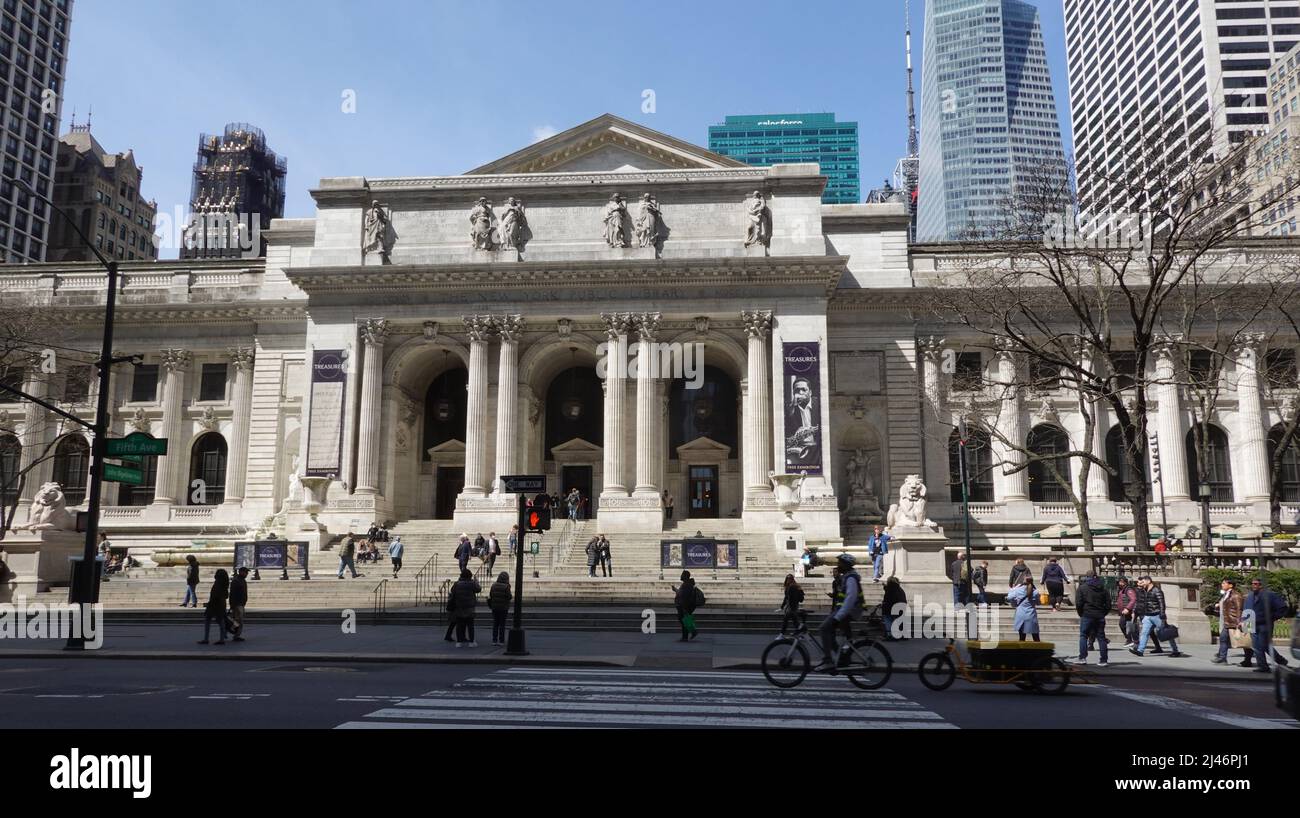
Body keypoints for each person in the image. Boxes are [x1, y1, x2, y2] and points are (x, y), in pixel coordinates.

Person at [815, 554, 863, 670]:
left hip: (848, 611)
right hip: (843, 610)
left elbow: (850, 599)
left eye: (840, 562)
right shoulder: (846, 576)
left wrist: (839, 616)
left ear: (846, 564)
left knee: (824, 628)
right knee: (829, 631)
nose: (838, 565)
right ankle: (840, 657)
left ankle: (828, 660)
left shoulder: (851, 578)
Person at [1243, 577, 1292, 673]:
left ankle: (1271, 663)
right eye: (1252, 584)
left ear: (1262, 585)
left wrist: (1272, 617)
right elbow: (1247, 611)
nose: (1254, 586)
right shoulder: (1249, 597)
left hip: (1265, 625)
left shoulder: (1270, 595)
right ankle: (1267, 665)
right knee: (1258, 646)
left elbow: (1283, 608)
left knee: (1263, 645)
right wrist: (1245, 626)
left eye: (1256, 584)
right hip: (1253, 625)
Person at [1129, 576, 1185, 658]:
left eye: (1143, 582)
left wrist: (1162, 615)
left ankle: (1175, 650)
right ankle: (1140, 651)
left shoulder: (1157, 590)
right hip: (1148, 616)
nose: (1142, 584)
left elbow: (1162, 603)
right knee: (1144, 633)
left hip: (1157, 615)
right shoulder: (1144, 590)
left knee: (1167, 633)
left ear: (1149, 581)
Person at [1212, 578, 1252, 666]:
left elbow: (1239, 609)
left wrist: (1239, 622)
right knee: (1223, 638)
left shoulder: (1236, 595)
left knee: (1245, 641)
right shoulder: (1227, 594)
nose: (1222, 585)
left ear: (1230, 585)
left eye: (1224, 583)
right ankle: (1222, 658)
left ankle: (1248, 660)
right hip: (1229, 621)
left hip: (1235, 621)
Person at [1074, 569, 1110, 666]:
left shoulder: (1082, 588)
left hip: (1087, 614)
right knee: (1101, 637)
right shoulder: (1103, 588)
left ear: (1087, 577)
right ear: (1096, 576)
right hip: (1099, 615)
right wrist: (1103, 613)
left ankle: (1082, 658)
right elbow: (1108, 604)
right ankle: (1104, 660)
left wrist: (1081, 613)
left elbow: (1078, 603)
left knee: (1083, 636)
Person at [448, 568, 481, 648]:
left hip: (459, 606)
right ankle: (471, 641)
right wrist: (476, 582)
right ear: (470, 575)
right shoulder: (472, 583)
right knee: (470, 625)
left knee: (459, 625)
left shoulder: (457, 584)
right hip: (469, 607)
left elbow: (452, 591)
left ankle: (459, 642)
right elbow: (478, 589)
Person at [198, 569, 230, 645]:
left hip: (214, 605)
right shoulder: (225, 584)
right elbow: (226, 595)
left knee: (208, 620)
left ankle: (206, 638)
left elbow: (215, 595)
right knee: (221, 622)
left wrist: (209, 603)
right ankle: (222, 638)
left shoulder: (218, 583)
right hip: (221, 605)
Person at [1007, 575, 1040, 642]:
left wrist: (1013, 589)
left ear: (1023, 581)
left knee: (1022, 637)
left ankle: (1021, 651)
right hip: (1031, 614)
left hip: (1020, 614)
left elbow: (1009, 597)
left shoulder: (1018, 590)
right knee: (1035, 636)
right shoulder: (1035, 592)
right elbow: (1038, 603)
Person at [673, 570, 703, 641]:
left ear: (685, 576)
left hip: (685, 606)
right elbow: (682, 594)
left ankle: (687, 635)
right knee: (684, 620)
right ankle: (691, 632)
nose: (681, 576)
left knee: (683, 620)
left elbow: (684, 596)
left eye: (682, 575)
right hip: (685, 606)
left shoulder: (687, 585)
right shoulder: (687, 584)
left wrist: (675, 590)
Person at [488, 571, 512, 646]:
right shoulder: (506, 586)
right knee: (502, 624)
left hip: (495, 607)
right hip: (503, 607)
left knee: (495, 623)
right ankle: (501, 640)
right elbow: (509, 597)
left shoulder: (494, 585)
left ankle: (494, 640)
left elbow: (491, 595)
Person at [881, 576, 908, 641]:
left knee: (888, 620)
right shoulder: (899, 589)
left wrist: (883, 605)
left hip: (890, 608)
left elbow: (889, 599)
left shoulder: (890, 589)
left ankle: (890, 635)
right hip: (901, 607)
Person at [1115, 576, 1138, 647]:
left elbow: (1133, 599)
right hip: (1124, 612)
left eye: (1119, 582)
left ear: (1123, 582)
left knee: (1131, 627)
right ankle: (1130, 639)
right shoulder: (1122, 589)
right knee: (1123, 625)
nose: (1118, 583)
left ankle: (1134, 641)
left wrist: (1128, 608)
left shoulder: (1128, 590)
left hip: (1128, 611)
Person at [229, 566, 249, 642]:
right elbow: (232, 594)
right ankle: (235, 635)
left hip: (241, 603)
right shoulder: (236, 581)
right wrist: (232, 605)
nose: (246, 574)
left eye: (247, 572)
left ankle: (235, 634)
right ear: (241, 572)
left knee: (238, 621)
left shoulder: (242, 580)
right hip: (237, 604)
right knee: (238, 621)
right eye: (245, 572)